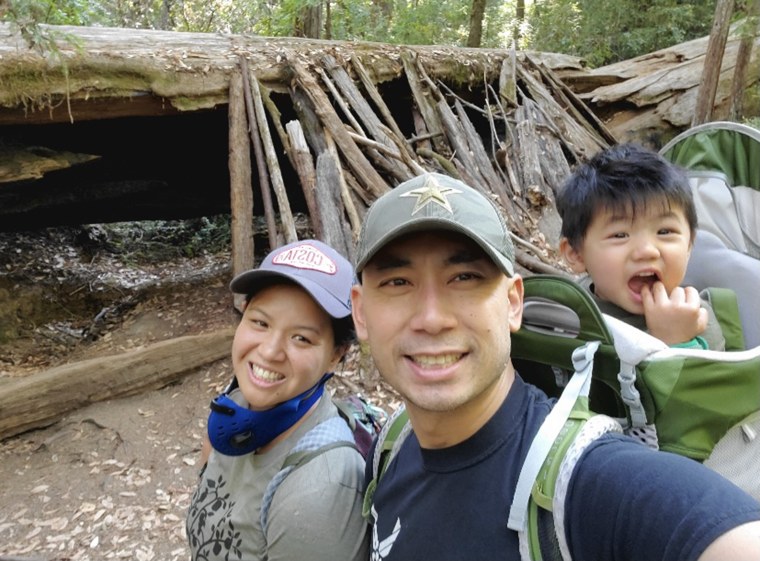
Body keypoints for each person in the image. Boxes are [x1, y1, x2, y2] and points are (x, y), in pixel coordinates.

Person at [349, 172, 760, 561]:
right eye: (398, 283)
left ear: (512, 303)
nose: (432, 318)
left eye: (465, 278)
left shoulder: (586, 478)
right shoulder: (392, 446)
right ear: (361, 313)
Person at [186, 239, 369, 561]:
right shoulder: (231, 410)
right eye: (260, 322)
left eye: (301, 338)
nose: (269, 352)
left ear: (335, 355)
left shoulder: (318, 488)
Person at [556, 143, 725, 350]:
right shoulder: (565, 315)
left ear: (689, 245)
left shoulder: (695, 319)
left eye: (664, 232)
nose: (647, 251)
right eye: (620, 235)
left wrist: (675, 342)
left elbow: (709, 383)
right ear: (576, 254)